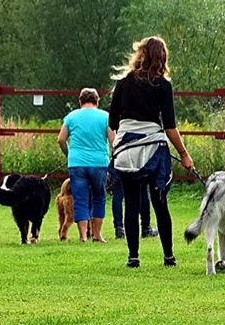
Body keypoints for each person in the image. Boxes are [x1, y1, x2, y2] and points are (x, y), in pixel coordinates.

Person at [108, 36, 193, 268]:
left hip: (126, 149)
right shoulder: (163, 86)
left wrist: (114, 148)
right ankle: (168, 256)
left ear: (140, 54)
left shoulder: (124, 83)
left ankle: (133, 257)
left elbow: (113, 121)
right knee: (160, 203)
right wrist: (184, 154)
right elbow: (170, 126)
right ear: (162, 58)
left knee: (131, 203)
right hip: (154, 150)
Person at [57, 88, 114, 242]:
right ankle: (97, 235)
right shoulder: (105, 117)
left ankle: (83, 236)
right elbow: (112, 140)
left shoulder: (71, 117)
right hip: (99, 163)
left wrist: (69, 154)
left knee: (80, 198)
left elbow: (61, 139)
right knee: (98, 197)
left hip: (77, 164)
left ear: (80, 101)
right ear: (97, 101)